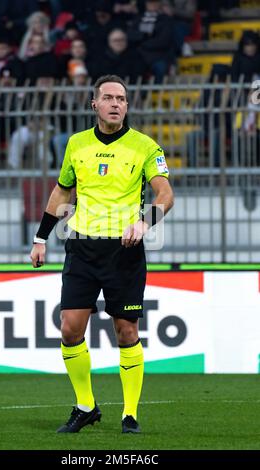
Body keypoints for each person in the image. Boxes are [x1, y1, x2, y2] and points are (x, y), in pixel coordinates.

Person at [30, 74, 174, 434]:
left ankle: (129, 414)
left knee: (126, 332)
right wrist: (40, 237)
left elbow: (165, 195)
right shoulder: (76, 144)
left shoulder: (145, 146)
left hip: (123, 250)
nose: (115, 104)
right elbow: (63, 193)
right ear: (94, 104)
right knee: (69, 329)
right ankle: (85, 406)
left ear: (127, 105)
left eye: (121, 99)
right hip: (81, 246)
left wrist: (144, 222)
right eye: (108, 98)